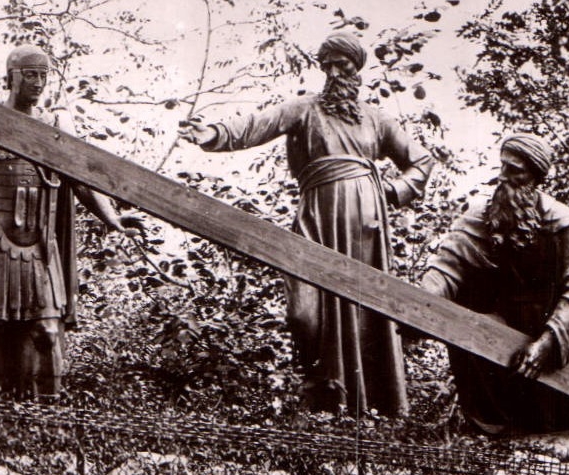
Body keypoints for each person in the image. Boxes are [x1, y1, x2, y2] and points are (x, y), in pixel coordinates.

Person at [181, 32, 431, 416]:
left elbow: (421, 161)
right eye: (327, 66)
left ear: (356, 68)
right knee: (303, 314)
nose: (333, 73)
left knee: (367, 311)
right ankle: (323, 389)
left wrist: (393, 192)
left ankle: (364, 411)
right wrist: (213, 133)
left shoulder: (376, 119)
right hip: (317, 216)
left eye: (341, 65)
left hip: (365, 220)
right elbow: (258, 124)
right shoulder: (305, 109)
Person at [0, 45, 141, 402]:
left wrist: (111, 217)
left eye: (43, 75)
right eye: (30, 75)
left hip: (39, 241)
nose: (38, 82)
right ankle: (2, 412)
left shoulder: (53, 126)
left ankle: (49, 415)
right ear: (11, 77)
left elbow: (81, 178)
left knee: (47, 330)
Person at [419, 135, 569, 435]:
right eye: (502, 166)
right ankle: (493, 424)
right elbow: (448, 265)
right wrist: (421, 303)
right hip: (500, 325)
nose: (503, 177)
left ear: (535, 177)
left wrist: (548, 342)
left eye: (515, 170)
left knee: (555, 412)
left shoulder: (568, 225)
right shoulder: (483, 215)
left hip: (548, 330)